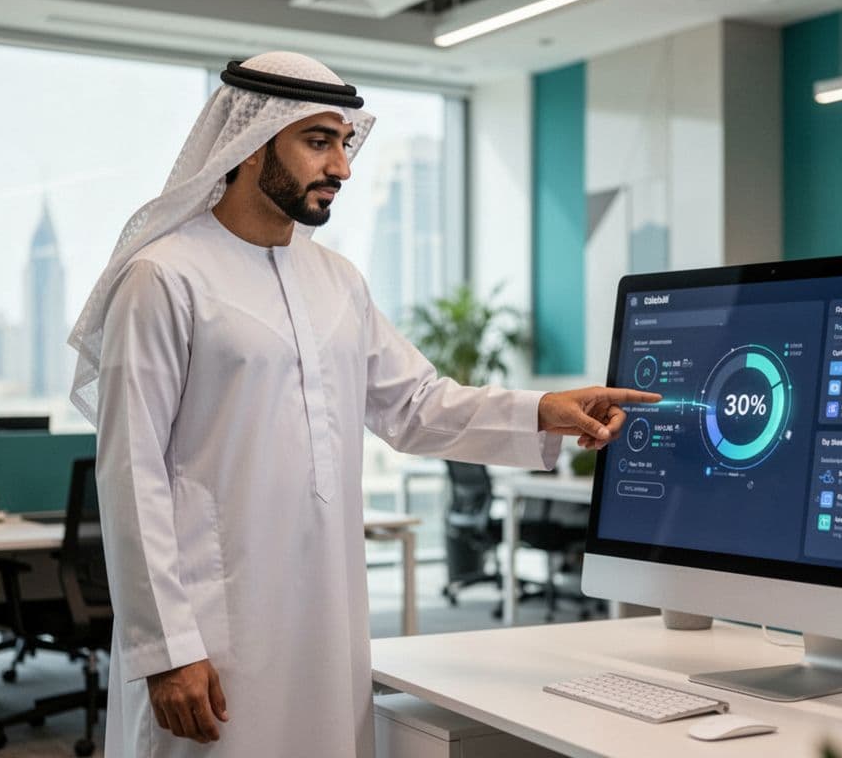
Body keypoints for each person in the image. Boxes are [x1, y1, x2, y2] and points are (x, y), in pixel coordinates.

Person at [67, 51, 659, 758]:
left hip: (326, 614)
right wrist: (165, 649)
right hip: (212, 622)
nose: (342, 167)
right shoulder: (165, 278)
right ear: (253, 145)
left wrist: (542, 409)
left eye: (344, 144)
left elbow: (415, 404)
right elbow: (131, 475)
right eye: (318, 142)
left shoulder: (337, 281)